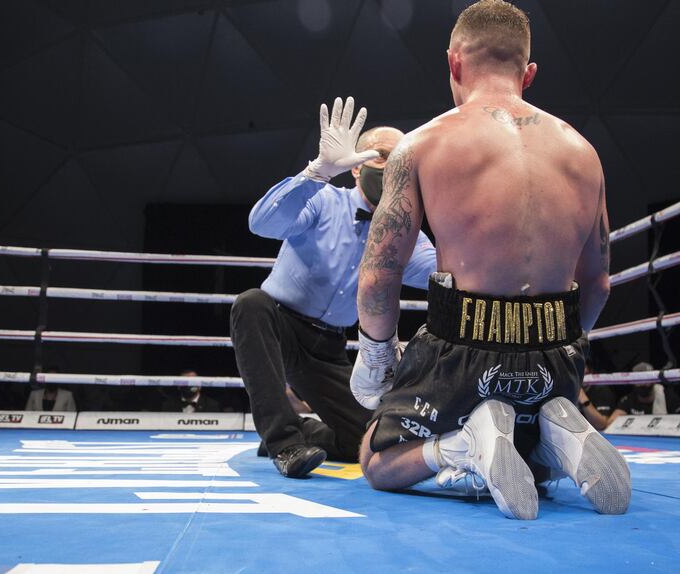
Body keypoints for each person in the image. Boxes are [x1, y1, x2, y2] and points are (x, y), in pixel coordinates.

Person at [352, 0, 630, 519]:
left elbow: (377, 278)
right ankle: (547, 438)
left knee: (375, 458)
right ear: (528, 73)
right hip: (554, 356)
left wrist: (375, 358)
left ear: (454, 64)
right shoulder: (584, 151)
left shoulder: (422, 145)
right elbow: (599, 285)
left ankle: (462, 445)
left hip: (463, 349)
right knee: (525, 462)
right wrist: (566, 346)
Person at [230, 97, 437, 478]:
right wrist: (318, 172)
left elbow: (445, 274)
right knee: (250, 304)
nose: (391, 165)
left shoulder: (406, 235)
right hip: (278, 324)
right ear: (356, 167)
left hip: (329, 348)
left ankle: (303, 431)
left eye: (400, 159)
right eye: (381, 156)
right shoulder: (323, 200)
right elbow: (262, 224)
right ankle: (285, 444)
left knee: (368, 438)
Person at [608, 362, 680, 423]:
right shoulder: (628, 399)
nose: (642, 383)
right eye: (638, 379)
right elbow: (611, 422)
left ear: (653, 380)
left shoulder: (669, 397)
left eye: (646, 379)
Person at [577, 362, 617, 431]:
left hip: (597, 434)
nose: (582, 378)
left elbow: (601, 425)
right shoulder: (569, 389)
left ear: (591, 372)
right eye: (578, 374)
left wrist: (583, 399)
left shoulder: (601, 391)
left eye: (585, 374)